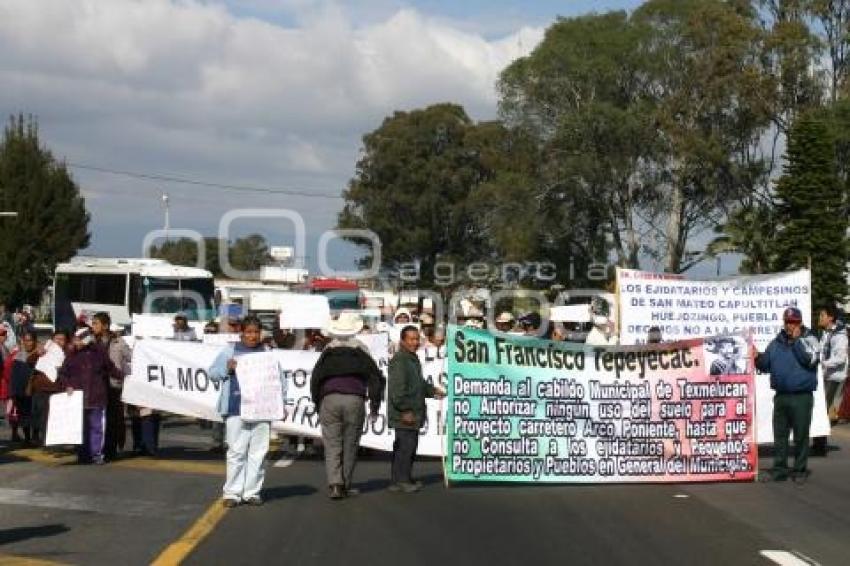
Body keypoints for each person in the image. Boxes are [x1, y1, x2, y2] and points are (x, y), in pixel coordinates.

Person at [210, 315, 288, 507]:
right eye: (249, 332)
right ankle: (232, 493)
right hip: (236, 407)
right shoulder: (230, 351)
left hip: (262, 409)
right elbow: (213, 373)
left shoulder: (267, 353)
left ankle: (252, 492)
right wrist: (227, 369)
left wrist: (282, 403)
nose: (253, 336)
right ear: (242, 333)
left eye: (256, 332)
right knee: (236, 451)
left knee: (258, 452)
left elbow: (279, 381)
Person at [310, 313, 384, 499]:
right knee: (350, 443)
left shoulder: (327, 351)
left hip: (330, 398)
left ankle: (335, 483)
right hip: (354, 399)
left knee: (332, 443)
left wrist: (317, 402)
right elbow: (375, 377)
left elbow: (316, 378)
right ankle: (346, 483)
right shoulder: (362, 350)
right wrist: (375, 405)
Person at [755, 307, 820, 483]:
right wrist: (756, 357)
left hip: (801, 397)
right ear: (784, 322)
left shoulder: (810, 339)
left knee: (800, 435)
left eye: (794, 322)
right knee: (780, 435)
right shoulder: (776, 342)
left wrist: (797, 340)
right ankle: (779, 470)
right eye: (788, 322)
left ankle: (799, 471)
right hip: (781, 396)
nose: (791, 325)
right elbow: (765, 365)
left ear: (800, 322)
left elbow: (811, 360)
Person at [387, 325, 445, 493]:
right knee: (406, 447)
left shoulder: (412, 359)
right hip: (405, 414)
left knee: (406, 446)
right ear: (402, 341)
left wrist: (433, 391)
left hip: (413, 412)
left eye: (417, 339)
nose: (415, 342)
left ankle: (400, 479)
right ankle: (402, 480)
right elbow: (397, 390)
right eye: (411, 339)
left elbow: (418, 384)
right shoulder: (400, 360)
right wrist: (405, 410)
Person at [57, 327, 123, 464]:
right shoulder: (72, 355)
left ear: (85, 339)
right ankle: (83, 454)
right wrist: (67, 385)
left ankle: (96, 454)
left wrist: (128, 378)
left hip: (96, 397)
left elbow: (111, 369)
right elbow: (63, 374)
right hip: (78, 398)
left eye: (78, 339)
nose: (75, 342)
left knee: (97, 427)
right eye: (75, 339)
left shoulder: (99, 352)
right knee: (80, 427)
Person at [91, 312, 132, 460]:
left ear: (105, 325)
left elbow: (131, 357)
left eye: (96, 323)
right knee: (98, 419)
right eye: (92, 323)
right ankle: (97, 449)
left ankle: (111, 449)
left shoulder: (118, 342)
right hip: (96, 387)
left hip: (114, 386)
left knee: (114, 419)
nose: (93, 326)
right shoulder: (91, 342)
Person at [811, 306, 847, 456]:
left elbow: (840, 358)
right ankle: (819, 443)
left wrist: (823, 363)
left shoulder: (839, 336)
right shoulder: (826, 333)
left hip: (834, 378)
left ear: (830, 318)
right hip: (826, 376)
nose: (820, 317)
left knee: (823, 410)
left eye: (823, 315)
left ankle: (820, 444)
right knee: (822, 409)